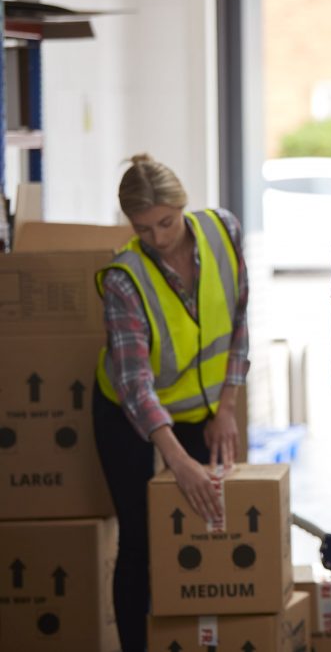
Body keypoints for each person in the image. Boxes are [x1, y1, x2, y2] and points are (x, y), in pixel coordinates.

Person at [93, 154, 248, 650]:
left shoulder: (223, 232)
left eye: (165, 222)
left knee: (205, 526)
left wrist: (225, 408)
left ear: (182, 204)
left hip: (202, 407)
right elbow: (135, 385)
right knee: (140, 539)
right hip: (128, 414)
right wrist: (177, 461)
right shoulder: (125, 278)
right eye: (144, 229)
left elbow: (240, 322)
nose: (158, 238)